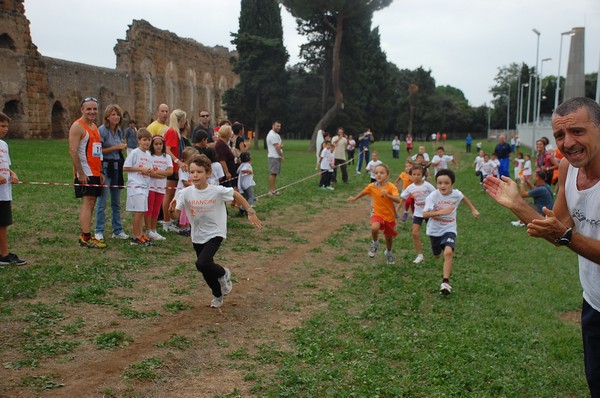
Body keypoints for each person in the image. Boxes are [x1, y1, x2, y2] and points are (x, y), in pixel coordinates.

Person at [483, 97, 600, 397]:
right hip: (594, 303)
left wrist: (567, 236)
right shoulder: (569, 168)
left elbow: (563, 235)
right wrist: (517, 205)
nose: (568, 142)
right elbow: (555, 228)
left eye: (577, 131)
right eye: (560, 135)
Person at [169, 154, 262, 308]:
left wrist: (250, 211)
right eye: (192, 172)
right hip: (197, 235)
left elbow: (236, 194)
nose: (195, 175)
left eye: (199, 172)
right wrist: (171, 211)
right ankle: (217, 294)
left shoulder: (216, 190)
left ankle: (223, 273)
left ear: (208, 173)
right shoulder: (185, 193)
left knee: (202, 263)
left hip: (215, 232)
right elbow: (176, 215)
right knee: (205, 269)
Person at [423, 169, 479, 295]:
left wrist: (473, 209)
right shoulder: (432, 196)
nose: (443, 186)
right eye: (440, 183)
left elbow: (464, 198)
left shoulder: (456, 194)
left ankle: (445, 283)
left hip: (449, 228)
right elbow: (425, 214)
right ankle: (436, 253)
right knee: (437, 254)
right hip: (434, 230)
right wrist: (441, 212)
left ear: (452, 184)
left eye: (446, 183)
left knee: (448, 252)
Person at [68, 97, 106, 249]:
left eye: (94, 109)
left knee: (92, 203)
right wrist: (80, 172)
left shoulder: (94, 127)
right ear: (82, 110)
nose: (92, 112)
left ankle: (86, 233)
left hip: (95, 171)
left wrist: (101, 170)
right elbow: (73, 150)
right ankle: (86, 236)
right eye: (88, 109)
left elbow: (97, 150)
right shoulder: (78, 126)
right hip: (85, 171)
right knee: (88, 202)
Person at [348, 163, 401, 265]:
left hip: (389, 216)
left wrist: (388, 195)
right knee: (374, 228)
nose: (379, 175)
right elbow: (364, 192)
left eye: (382, 173)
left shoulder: (391, 187)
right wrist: (354, 198)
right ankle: (375, 243)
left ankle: (389, 253)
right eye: (376, 173)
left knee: (388, 238)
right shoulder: (372, 186)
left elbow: (398, 200)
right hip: (376, 212)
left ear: (387, 175)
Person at [95, 104, 129, 242]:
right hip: (105, 167)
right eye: (113, 114)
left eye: (117, 114)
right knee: (102, 201)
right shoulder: (102, 130)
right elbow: (98, 151)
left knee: (116, 202)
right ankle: (99, 230)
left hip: (117, 167)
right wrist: (116, 147)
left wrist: (121, 149)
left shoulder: (119, 131)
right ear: (107, 117)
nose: (115, 117)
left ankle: (118, 230)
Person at [0, 112, 26, 265]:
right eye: (2, 126)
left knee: (3, 223)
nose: (5, 129)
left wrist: (12, 174)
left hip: (4, 192)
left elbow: (6, 166)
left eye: (6, 126)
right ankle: (4, 255)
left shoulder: (4, 145)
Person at [398, 164, 435, 264]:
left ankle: (436, 248)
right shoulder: (410, 188)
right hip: (418, 213)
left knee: (432, 233)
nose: (416, 176)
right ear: (410, 175)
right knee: (415, 233)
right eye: (414, 174)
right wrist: (396, 209)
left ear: (423, 175)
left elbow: (436, 195)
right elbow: (402, 198)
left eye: (418, 174)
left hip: (429, 212)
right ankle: (420, 255)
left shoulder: (427, 185)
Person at [123, 128, 153, 246]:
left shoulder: (148, 154)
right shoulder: (135, 152)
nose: (147, 142)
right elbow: (125, 167)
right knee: (139, 211)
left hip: (145, 185)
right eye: (144, 140)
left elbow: (148, 169)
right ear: (139, 140)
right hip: (135, 185)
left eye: (149, 140)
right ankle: (135, 236)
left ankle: (140, 234)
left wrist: (149, 171)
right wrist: (140, 169)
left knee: (143, 211)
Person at [162, 109, 188, 233]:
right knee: (169, 195)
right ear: (180, 120)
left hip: (174, 167)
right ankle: (166, 222)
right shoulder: (172, 132)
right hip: (171, 168)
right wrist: (178, 162)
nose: (185, 122)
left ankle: (169, 220)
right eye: (184, 120)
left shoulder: (174, 132)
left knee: (171, 195)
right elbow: (167, 150)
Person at [145, 135, 173, 241]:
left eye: (160, 144)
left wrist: (159, 173)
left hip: (161, 187)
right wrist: (162, 174)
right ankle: (148, 230)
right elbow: (150, 172)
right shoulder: (149, 156)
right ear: (152, 145)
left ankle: (153, 229)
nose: (158, 146)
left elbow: (170, 171)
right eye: (156, 144)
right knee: (150, 208)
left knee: (156, 209)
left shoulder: (167, 157)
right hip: (150, 186)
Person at [266, 120, 284, 195]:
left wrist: (280, 146)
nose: (278, 127)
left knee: (275, 173)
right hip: (274, 157)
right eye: (277, 126)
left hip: (276, 156)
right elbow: (277, 147)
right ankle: (271, 191)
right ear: (273, 125)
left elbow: (279, 145)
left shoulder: (276, 135)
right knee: (273, 173)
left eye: (279, 126)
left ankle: (273, 190)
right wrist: (282, 156)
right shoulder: (272, 135)